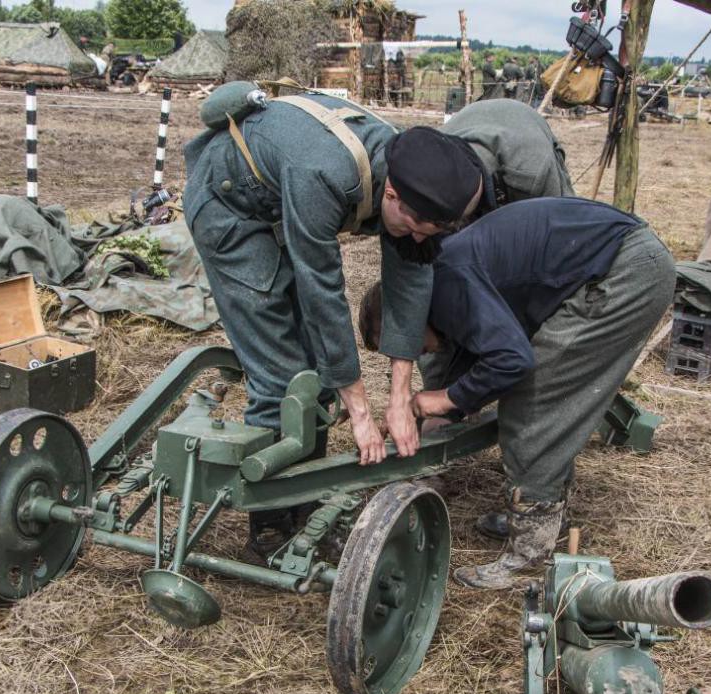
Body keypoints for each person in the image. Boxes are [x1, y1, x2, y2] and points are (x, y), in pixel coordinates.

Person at [182, 86, 484, 560]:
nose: (415, 236)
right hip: (231, 213)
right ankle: (270, 526)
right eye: (410, 225)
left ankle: (302, 499)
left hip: (278, 203)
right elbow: (322, 291)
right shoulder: (323, 173)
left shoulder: (408, 163)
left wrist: (400, 397)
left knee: (320, 377)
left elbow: (410, 278)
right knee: (283, 375)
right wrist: (361, 412)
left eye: (430, 231)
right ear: (390, 193)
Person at [358, 197, 675, 589]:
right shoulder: (437, 288)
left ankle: (530, 553)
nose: (412, 352)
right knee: (533, 388)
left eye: (405, 343)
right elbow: (473, 359)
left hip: (624, 271)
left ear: (406, 315)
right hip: (617, 260)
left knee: (534, 401)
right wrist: (425, 410)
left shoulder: (448, 284)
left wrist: (442, 400)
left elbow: (511, 361)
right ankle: (537, 513)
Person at [441, 99, 575, 214]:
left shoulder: (532, 174)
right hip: (473, 120)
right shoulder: (431, 153)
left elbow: (557, 223)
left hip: (524, 124)